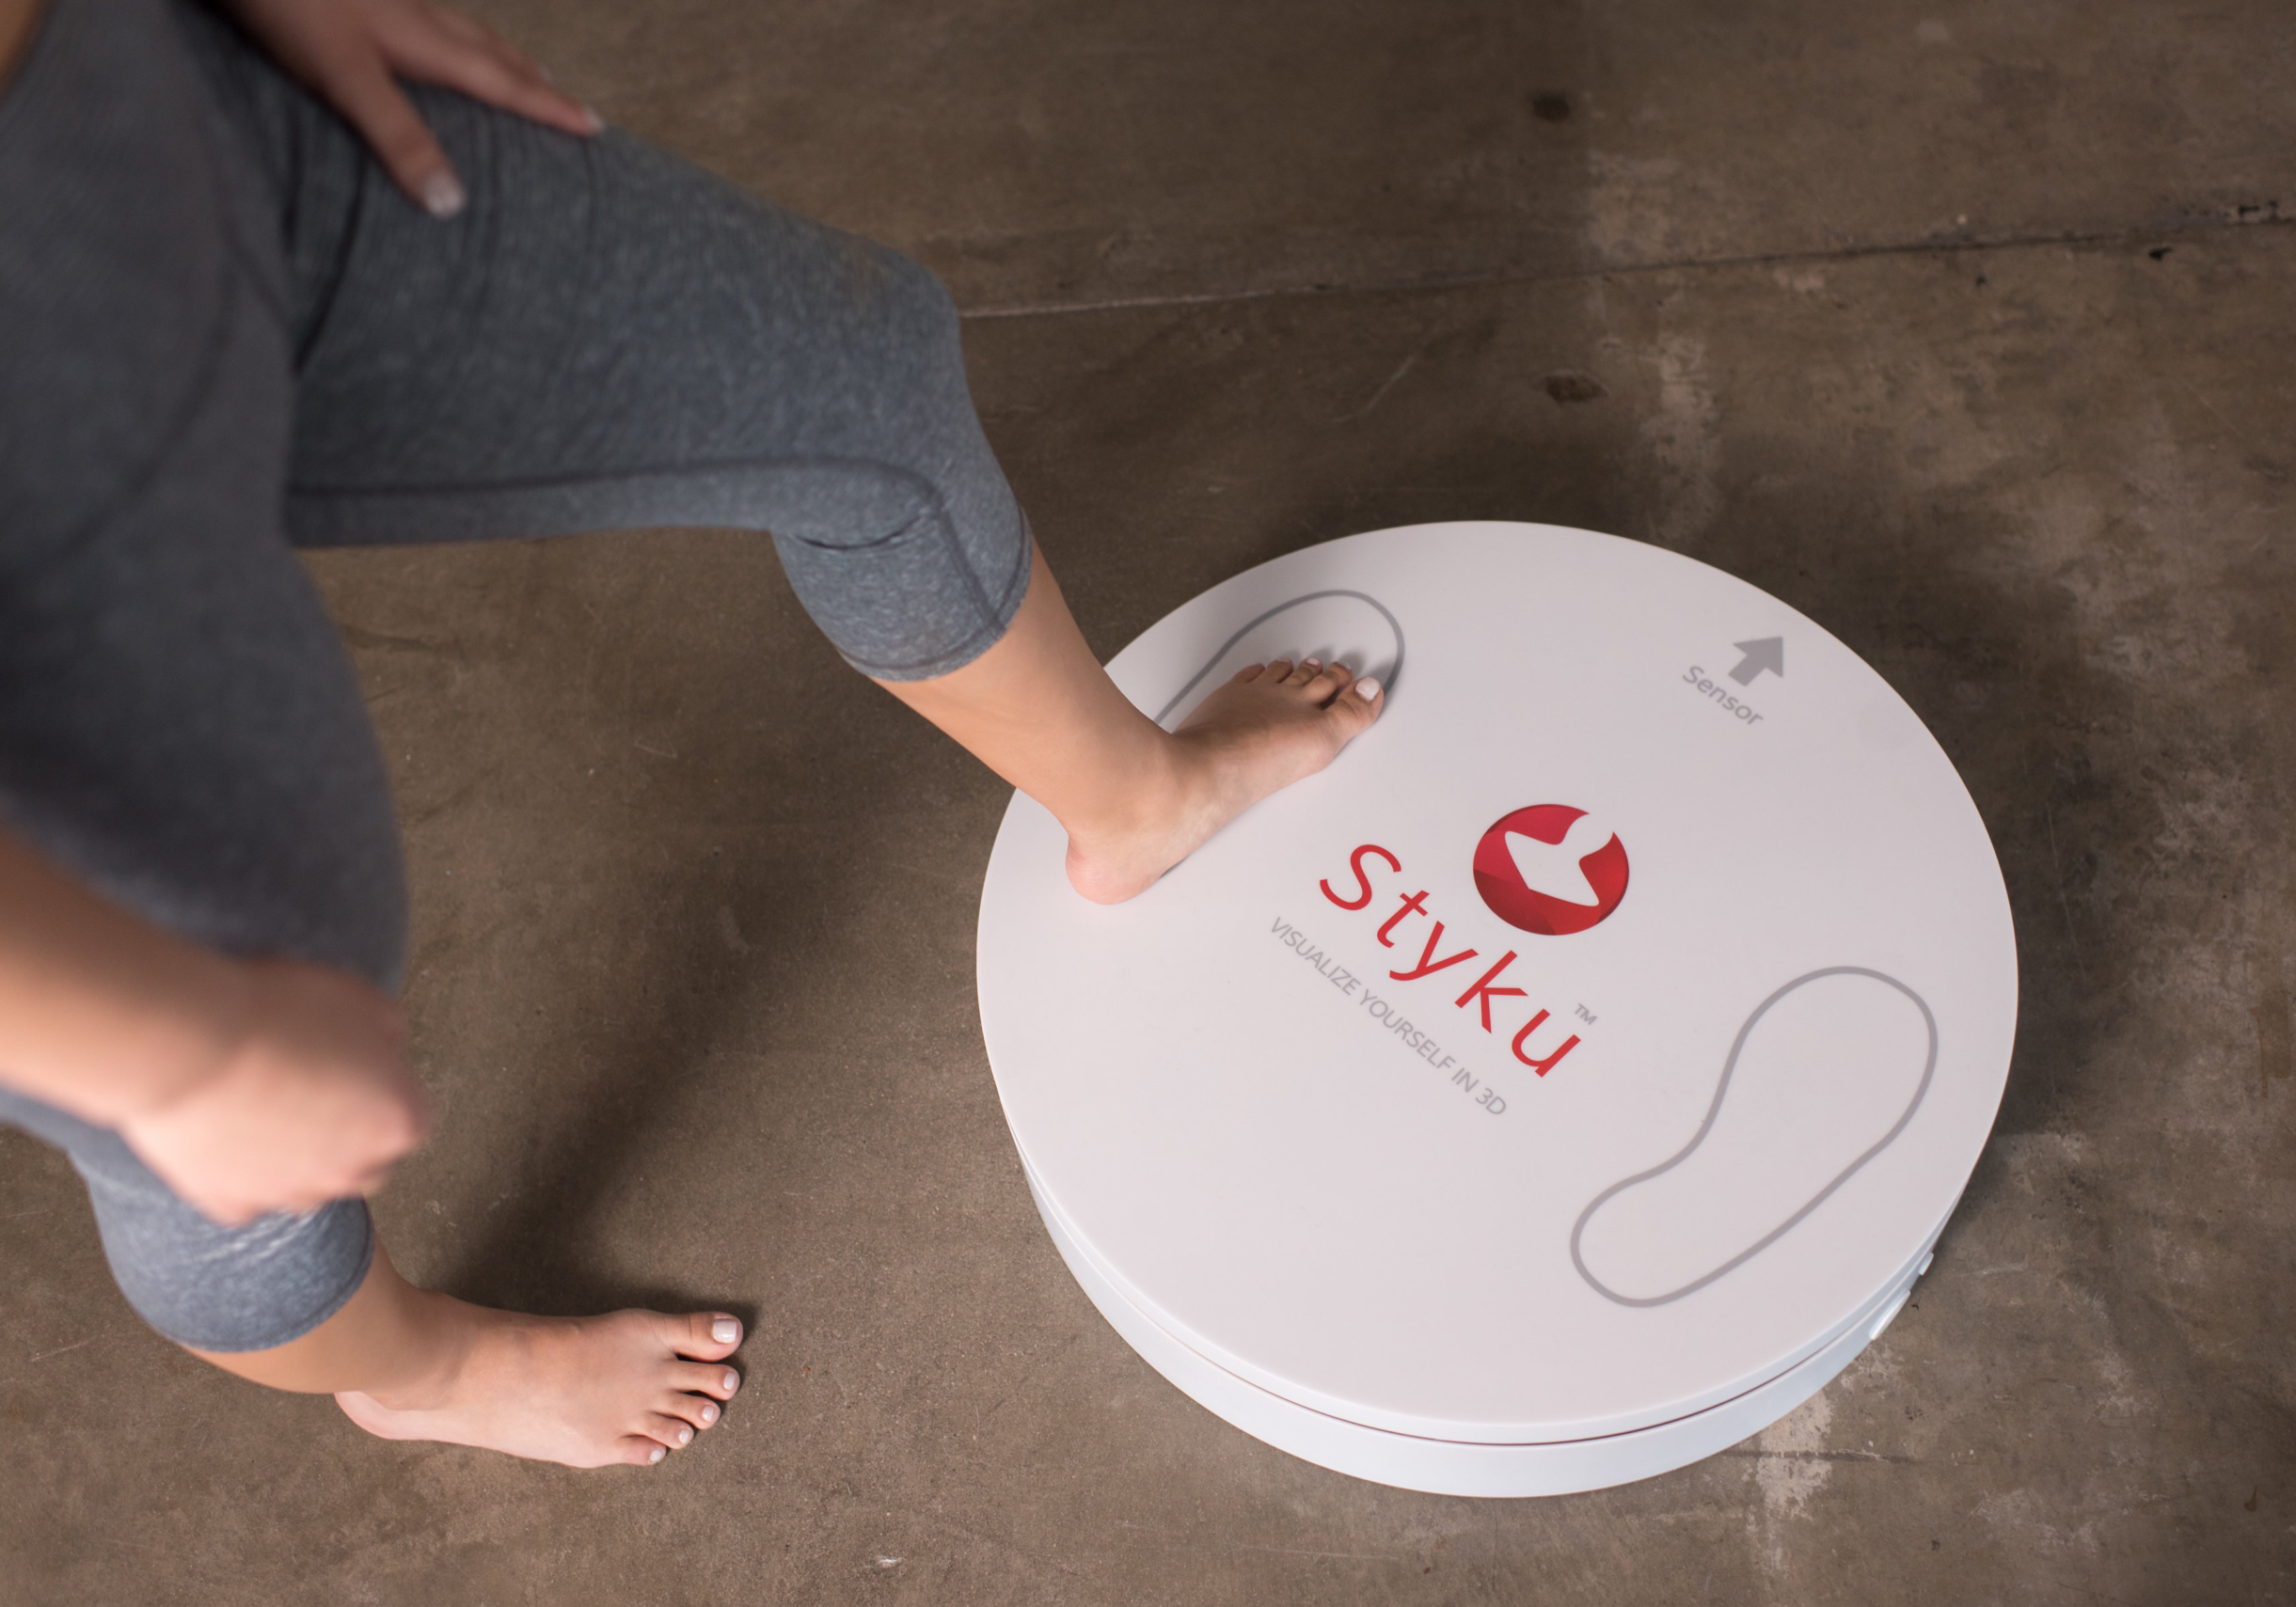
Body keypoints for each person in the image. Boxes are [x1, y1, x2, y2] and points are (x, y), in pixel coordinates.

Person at [0, 0, 1381, 1469]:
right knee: (224, 1102)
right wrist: (187, 1062)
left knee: (857, 381)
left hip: (123, 91)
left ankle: (1136, 796)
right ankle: (429, 1370)